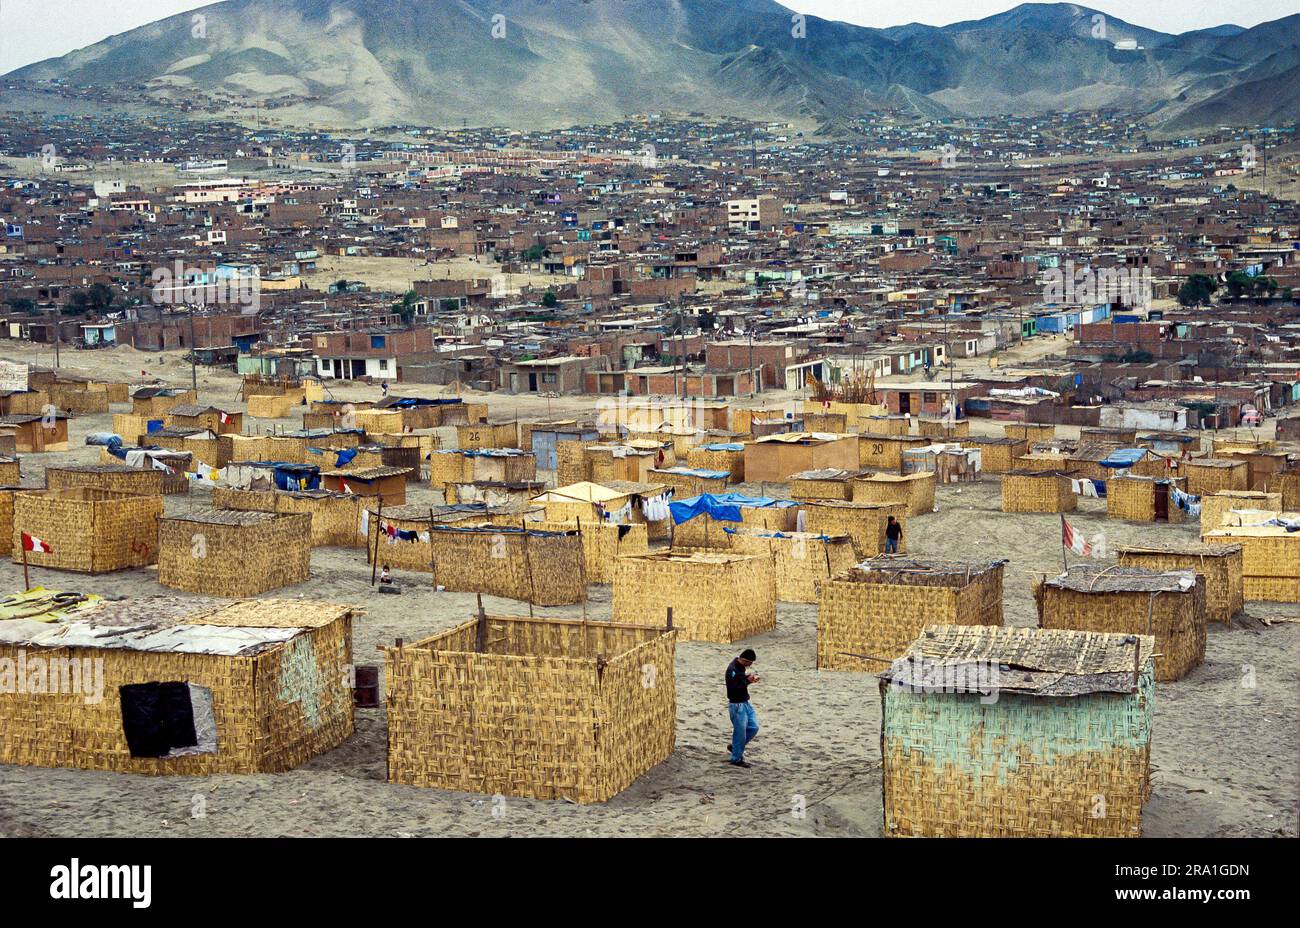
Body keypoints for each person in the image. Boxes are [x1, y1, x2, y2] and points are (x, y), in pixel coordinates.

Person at [726, 649, 760, 768]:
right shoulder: (732, 669)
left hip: (745, 702)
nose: (750, 665)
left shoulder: (740, 668)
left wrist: (748, 678)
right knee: (740, 733)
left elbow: (740, 680)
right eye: (750, 663)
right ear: (745, 660)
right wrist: (747, 681)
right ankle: (736, 759)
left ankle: (735, 748)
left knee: (754, 727)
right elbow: (733, 688)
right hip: (736, 705)